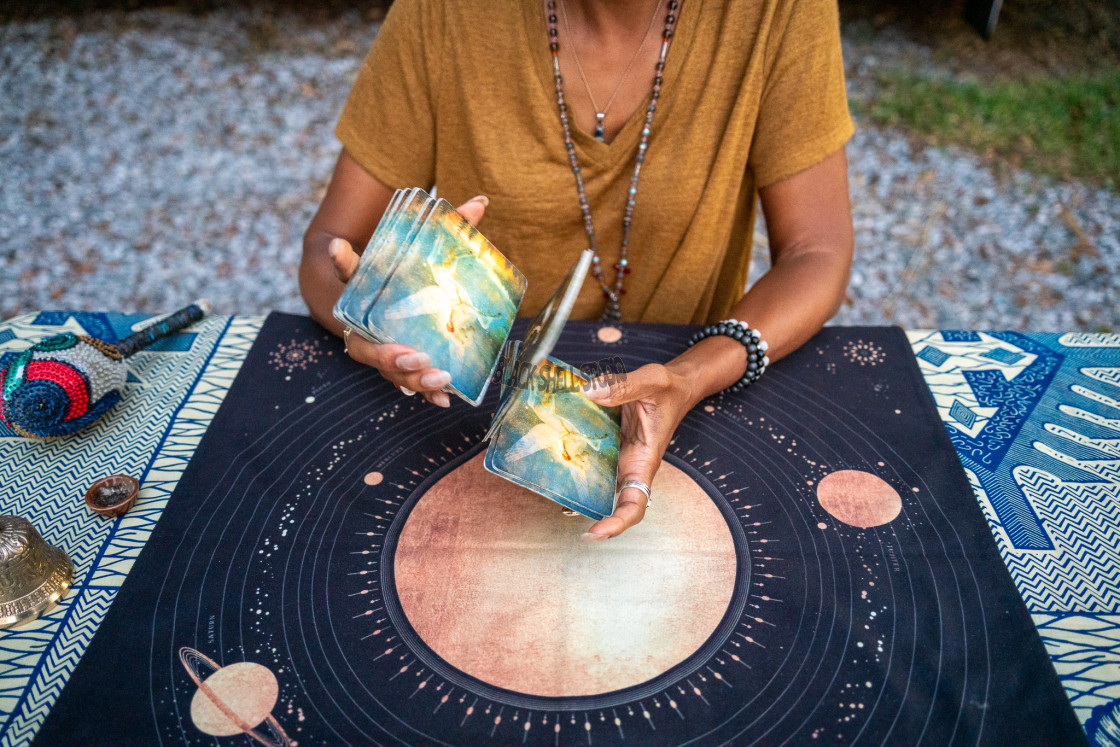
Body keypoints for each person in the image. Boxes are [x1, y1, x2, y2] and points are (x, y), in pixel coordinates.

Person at [300, 0, 854, 540]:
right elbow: (330, 246)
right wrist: (367, 311)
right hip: (464, 412)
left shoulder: (778, 12)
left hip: (698, 395)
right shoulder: (443, 13)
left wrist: (690, 379)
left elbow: (817, 252)